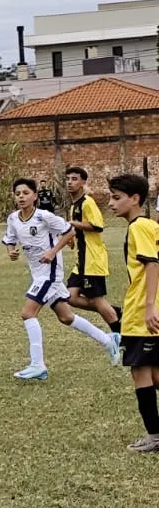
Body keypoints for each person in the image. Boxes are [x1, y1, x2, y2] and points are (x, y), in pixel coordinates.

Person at [1, 177, 119, 381]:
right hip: (37, 273)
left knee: (28, 313)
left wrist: (53, 252)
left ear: (35, 196)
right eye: (18, 193)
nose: (21, 196)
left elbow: (69, 231)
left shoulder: (44, 216)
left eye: (26, 193)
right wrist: (11, 251)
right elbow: (10, 239)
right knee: (66, 317)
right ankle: (109, 341)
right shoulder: (13, 219)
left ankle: (38, 365)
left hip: (50, 272)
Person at [106, 175, 159, 450]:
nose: (111, 203)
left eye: (116, 197)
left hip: (143, 312)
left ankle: (154, 436)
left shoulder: (140, 227)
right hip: (142, 308)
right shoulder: (151, 225)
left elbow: (152, 265)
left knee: (141, 371)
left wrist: (149, 307)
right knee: (154, 373)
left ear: (135, 198)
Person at [63, 166, 121, 333]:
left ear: (83, 182)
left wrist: (74, 224)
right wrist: (72, 239)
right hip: (80, 262)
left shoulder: (88, 202)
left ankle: (119, 333)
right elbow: (78, 230)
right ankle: (114, 311)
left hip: (92, 260)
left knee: (96, 299)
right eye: (68, 179)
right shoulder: (74, 206)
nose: (69, 182)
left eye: (74, 179)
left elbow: (97, 226)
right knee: (70, 297)